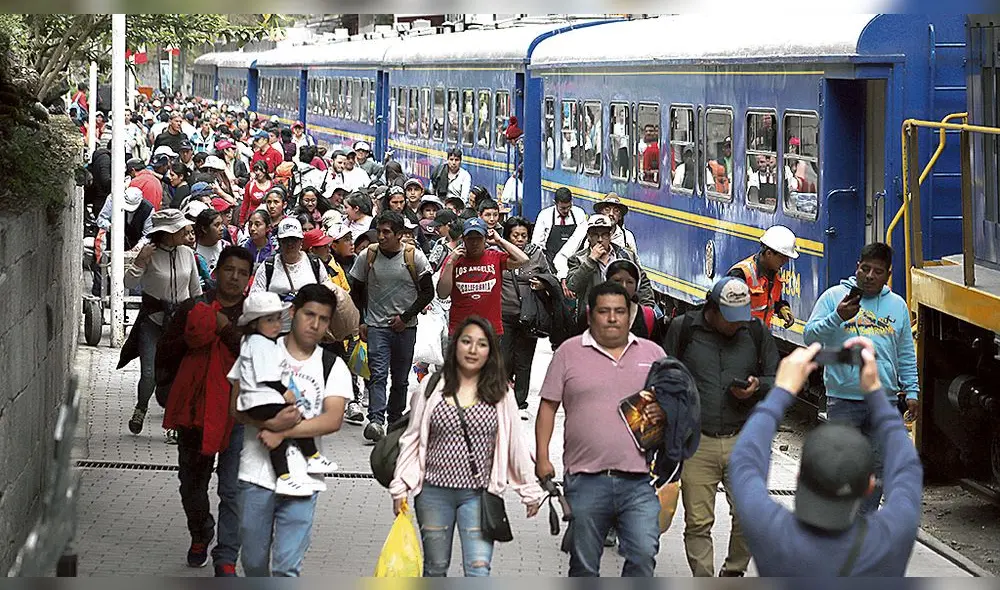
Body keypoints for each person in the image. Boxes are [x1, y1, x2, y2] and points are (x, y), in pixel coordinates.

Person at [728, 338, 922, 577]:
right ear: (870, 486)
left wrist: (782, 390)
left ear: (799, 477)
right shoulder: (891, 538)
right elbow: (907, 467)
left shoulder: (772, 532)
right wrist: (877, 394)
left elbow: (744, 460)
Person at [389, 316, 545, 577]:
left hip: (479, 495)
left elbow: (515, 444)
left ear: (490, 351)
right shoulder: (431, 388)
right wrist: (401, 486)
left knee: (478, 569)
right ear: (455, 345)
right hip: (432, 494)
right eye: (467, 342)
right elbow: (412, 439)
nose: (473, 350)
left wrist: (529, 490)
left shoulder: (499, 392)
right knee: (435, 567)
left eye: (482, 344)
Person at [535, 281, 666, 577]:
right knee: (583, 564)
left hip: (640, 480)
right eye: (604, 311)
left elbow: (675, 407)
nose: (612, 318)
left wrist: (664, 415)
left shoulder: (653, 354)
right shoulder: (569, 352)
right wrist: (543, 457)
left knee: (644, 554)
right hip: (585, 479)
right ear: (591, 314)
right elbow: (547, 407)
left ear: (629, 314)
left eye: (619, 311)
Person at [228, 284, 354, 577]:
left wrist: (282, 432)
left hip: (304, 480)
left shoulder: (331, 365)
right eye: (309, 314)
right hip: (256, 475)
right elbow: (237, 407)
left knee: (287, 568)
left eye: (323, 319)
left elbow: (332, 420)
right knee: (254, 561)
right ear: (293, 312)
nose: (315, 324)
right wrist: (270, 424)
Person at [662, 277, 779, 578]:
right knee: (699, 521)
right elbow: (664, 374)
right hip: (697, 442)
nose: (737, 325)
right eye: (730, 318)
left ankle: (733, 572)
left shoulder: (755, 332)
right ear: (711, 310)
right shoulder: (684, 329)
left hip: (744, 439)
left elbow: (778, 378)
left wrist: (756, 387)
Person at [803, 242, 918, 515]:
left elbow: (905, 352)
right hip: (843, 400)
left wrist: (912, 390)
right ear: (856, 267)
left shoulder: (897, 306)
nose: (869, 276)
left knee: (876, 469)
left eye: (877, 271)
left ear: (887, 275)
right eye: (864, 269)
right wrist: (837, 317)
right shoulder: (834, 298)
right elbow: (810, 337)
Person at [158, 246, 253, 576]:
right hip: (195, 413)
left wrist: (225, 327)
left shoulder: (255, 314)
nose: (235, 277)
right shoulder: (193, 307)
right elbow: (167, 350)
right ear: (217, 272)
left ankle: (226, 556)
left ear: (248, 278)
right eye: (230, 270)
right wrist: (167, 392)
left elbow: (259, 356)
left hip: (237, 414)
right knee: (192, 485)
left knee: (232, 489)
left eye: (242, 272)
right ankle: (201, 532)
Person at [235, 292, 337, 497]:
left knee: (280, 438)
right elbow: (266, 375)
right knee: (297, 417)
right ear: (254, 323)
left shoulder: (254, 341)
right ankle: (312, 456)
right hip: (261, 399)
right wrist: (285, 392)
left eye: (277, 319)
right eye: (269, 320)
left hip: (256, 400)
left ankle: (283, 477)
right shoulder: (259, 343)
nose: (276, 325)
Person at [349, 211, 434, 441]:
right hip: (377, 327)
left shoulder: (414, 258)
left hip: (405, 329)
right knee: (377, 374)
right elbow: (355, 290)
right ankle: (376, 420)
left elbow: (428, 292)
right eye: (380, 232)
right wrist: (362, 320)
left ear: (399, 235)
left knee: (400, 378)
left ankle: (394, 422)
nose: (382, 236)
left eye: (387, 232)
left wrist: (405, 317)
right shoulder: (368, 256)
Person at [119, 209, 203, 435]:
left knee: (179, 374)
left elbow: (195, 290)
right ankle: (141, 407)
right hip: (153, 321)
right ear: (168, 232)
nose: (186, 231)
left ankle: (174, 422)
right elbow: (128, 281)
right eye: (181, 229)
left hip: (181, 325)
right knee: (150, 373)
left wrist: (200, 316)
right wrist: (140, 261)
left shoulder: (187, 253)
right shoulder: (149, 253)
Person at [436, 218, 529, 336]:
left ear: (485, 239)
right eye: (470, 239)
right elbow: (442, 294)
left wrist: (500, 241)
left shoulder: (495, 257)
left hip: (490, 329)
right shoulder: (453, 260)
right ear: (463, 239)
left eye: (478, 238)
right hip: (461, 329)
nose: (474, 243)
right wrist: (450, 263)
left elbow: (523, 259)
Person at [498, 216, 550, 420]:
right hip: (504, 314)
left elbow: (549, 276)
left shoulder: (537, 255)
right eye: (515, 235)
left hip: (529, 316)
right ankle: (502, 398)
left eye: (523, 236)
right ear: (508, 236)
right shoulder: (500, 254)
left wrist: (542, 284)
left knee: (524, 361)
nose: (520, 239)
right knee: (504, 359)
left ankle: (520, 402)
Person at [566, 215, 653, 327]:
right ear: (588, 236)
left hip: (625, 317)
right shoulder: (578, 259)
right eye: (595, 235)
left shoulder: (625, 255)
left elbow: (643, 282)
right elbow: (573, 285)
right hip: (593, 320)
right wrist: (590, 261)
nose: (600, 240)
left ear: (610, 235)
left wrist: (646, 308)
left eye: (604, 235)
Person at [554, 193, 637, 281]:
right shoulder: (584, 230)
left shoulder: (627, 237)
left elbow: (635, 267)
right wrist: (564, 277)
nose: (611, 214)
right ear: (600, 212)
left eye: (616, 211)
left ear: (620, 216)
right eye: (607, 210)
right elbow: (562, 256)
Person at [728, 225, 798, 329]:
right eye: (783, 257)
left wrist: (781, 307)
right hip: (739, 336)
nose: (786, 261)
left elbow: (772, 301)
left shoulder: (774, 274)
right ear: (769, 253)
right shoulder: (741, 274)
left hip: (760, 336)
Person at [250, 218, 329, 305]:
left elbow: (327, 293)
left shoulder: (314, 263)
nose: (290, 244)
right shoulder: (268, 266)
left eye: (294, 240)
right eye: (286, 240)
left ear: (301, 241)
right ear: (279, 242)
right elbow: (254, 298)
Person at [532, 187, 587, 268]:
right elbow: (537, 243)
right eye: (563, 208)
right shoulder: (544, 215)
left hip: (573, 263)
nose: (566, 211)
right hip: (550, 263)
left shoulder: (579, 214)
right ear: (555, 203)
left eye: (569, 207)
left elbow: (581, 239)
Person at [605, 259, 659, 341]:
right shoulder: (591, 314)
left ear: (636, 286)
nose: (623, 286)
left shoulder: (648, 316)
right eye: (617, 281)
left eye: (629, 282)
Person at [97, 186, 153, 251]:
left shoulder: (148, 209)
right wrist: (110, 227)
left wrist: (139, 246)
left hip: (135, 245)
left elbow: (147, 234)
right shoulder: (113, 200)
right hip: (114, 244)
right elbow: (101, 219)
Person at [193, 208, 226, 276]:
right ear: (204, 229)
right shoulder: (193, 251)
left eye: (221, 224)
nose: (222, 228)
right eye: (217, 225)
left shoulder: (226, 246)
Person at [241, 161, 273, 226]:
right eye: (256, 170)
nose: (258, 172)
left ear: (265, 170)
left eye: (260, 170)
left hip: (270, 219)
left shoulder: (273, 185)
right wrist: (242, 220)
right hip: (254, 219)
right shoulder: (250, 185)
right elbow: (245, 203)